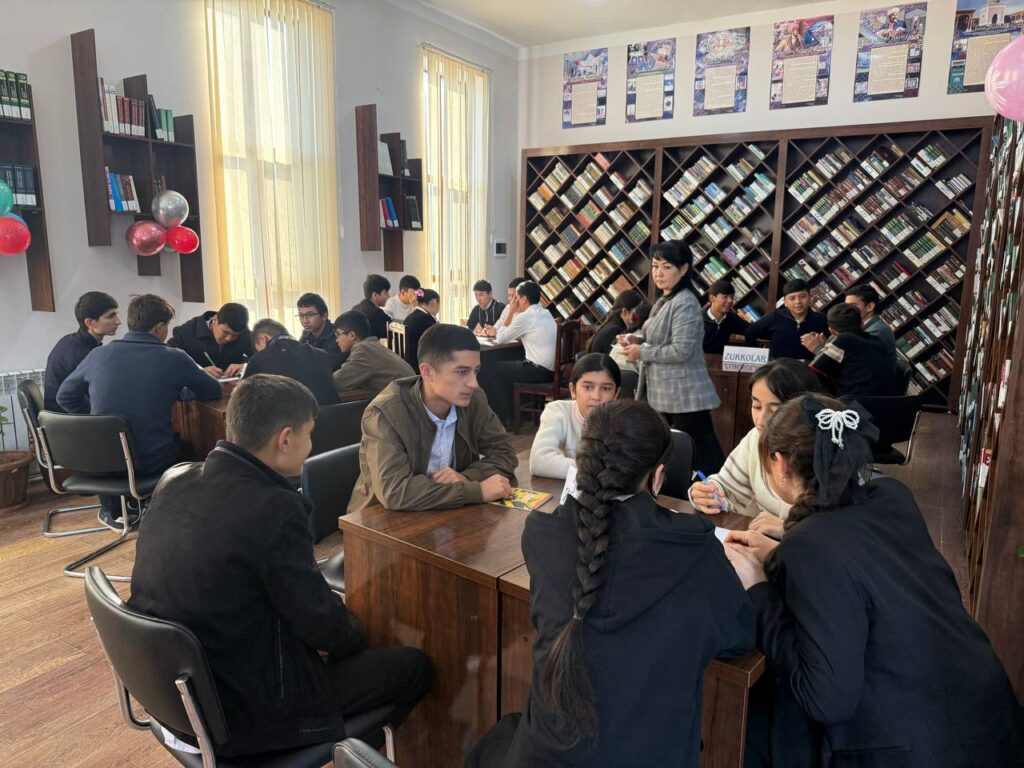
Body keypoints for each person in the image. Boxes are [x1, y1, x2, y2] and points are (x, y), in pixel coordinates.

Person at [128, 374, 432, 758]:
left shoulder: (175, 478)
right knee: (413, 667)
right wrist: (361, 636)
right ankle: (351, 758)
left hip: (171, 692)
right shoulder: (274, 507)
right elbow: (321, 625)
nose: (311, 445)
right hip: (239, 713)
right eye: (309, 434)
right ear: (285, 439)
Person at [724, 395, 1024, 768]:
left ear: (781, 463)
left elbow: (825, 700)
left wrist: (757, 587)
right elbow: (861, 559)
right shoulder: (891, 495)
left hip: (913, 749)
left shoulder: (811, 544)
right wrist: (786, 546)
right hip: (985, 718)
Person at [466, 400, 754, 768]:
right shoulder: (692, 546)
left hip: (547, 755)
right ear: (658, 476)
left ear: (582, 463)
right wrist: (751, 580)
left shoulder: (542, 533)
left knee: (504, 734)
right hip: (652, 757)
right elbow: (737, 640)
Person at [56, 294, 223, 527]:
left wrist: (96, 423)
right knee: (186, 446)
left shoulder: (98, 354)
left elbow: (64, 396)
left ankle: (118, 510)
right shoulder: (173, 357)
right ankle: (165, 510)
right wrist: (180, 390)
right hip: (148, 463)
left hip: (99, 461)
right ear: (160, 327)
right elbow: (213, 391)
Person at [348, 324, 517, 512]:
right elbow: (395, 492)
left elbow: (504, 453)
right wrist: (475, 491)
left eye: (475, 371)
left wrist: (467, 477)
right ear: (427, 372)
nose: (473, 383)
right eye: (462, 372)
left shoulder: (473, 399)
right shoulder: (385, 413)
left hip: (447, 512)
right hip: (382, 519)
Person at [620, 241, 725, 475]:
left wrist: (641, 351)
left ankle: (718, 489)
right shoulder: (665, 299)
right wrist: (635, 339)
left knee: (702, 452)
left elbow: (681, 350)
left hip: (683, 394)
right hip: (666, 392)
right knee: (677, 449)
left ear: (684, 268)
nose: (658, 273)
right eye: (655, 266)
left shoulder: (685, 302)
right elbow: (656, 337)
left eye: (666, 267)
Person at [688, 359, 822, 538]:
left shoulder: (825, 451)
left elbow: (840, 531)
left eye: (775, 410)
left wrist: (790, 529)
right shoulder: (756, 438)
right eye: (756, 406)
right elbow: (728, 488)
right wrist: (706, 494)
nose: (761, 420)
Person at [529, 353, 620, 479]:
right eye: (588, 387)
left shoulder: (625, 421)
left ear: (616, 394)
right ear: (573, 390)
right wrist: (596, 470)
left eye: (605, 389)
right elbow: (539, 462)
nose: (596, 396)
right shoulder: (558, 411)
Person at [482, 280, 558, 427]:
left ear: (523, 299)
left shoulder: (526, 316)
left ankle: (506, 419)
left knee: (491, 370)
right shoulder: (545, 312)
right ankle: (517, 415)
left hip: (538, 371)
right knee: (503, 368)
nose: (513, 301)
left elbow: (501, 338)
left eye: (516, 297)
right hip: (552, 371)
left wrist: (511, 311)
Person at [44, 291, 120, 412]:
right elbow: (96, 397)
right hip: (69, 419)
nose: (118, 321)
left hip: (61, 416)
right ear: (90, 323)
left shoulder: (69, 341)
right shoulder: (81, 354)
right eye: (111, 316)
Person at [807, 304, 897, 398]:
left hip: (853, 403)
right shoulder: (877, 340)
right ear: (862, 324)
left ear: (832, 331)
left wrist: (818, 348)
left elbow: (813, 370)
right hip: (887, 402)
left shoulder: (844, 340)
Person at [244, 318, 339, 406]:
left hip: (289, 418)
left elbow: (243, 399)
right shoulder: (321, 354)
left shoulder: (258, 360)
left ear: (262, 339)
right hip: (330, 416)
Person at [331, 311, 414, 397]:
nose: (336, 340)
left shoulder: (363, 351)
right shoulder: (370, 345)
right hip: (405, 396)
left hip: (404, 401)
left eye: (338, 334)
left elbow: (337, 382)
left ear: (352, 335)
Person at [744, 279, 828, 360]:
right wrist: (755, 358)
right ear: (785, 302)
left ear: (810, 297)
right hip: (779, 366)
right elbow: (750, 332)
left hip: (808, 367)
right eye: (792, 298)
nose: (798, 302)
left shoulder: (821, 319)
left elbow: (830, 345)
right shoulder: (774, 317)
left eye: (802, 296)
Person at [168, 302, 253, 377]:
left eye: (235, 335)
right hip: (197, 387)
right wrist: (199, 371)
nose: (229, 338)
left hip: (235, 387)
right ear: (215, 320)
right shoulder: (186, 332)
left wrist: (245, 366)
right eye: (226, 332)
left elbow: (259, 356)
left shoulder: (244, 333)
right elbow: (170, 362)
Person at [844, 285, 897, 364]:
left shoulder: (875, 332)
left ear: (869, 306)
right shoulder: (866, 327)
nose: (846, 310)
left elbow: (855, 361)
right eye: (845, 306)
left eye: (852, 306)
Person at [587, 289, 643, 356]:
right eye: (638, 311)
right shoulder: (615, 330)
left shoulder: (614, 324)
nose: (640, 314)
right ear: (624, 312)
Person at [703, 279, 750, 355]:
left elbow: (751, 329)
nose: (730, 301)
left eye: (732, 297)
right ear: (712, 298)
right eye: (725, 297)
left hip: (720, 361)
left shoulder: (732, 318)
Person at [295, 292, 343, 363]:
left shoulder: (336, 335)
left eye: (310, 315)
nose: (305, 321)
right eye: (301, 315)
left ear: (324, 316)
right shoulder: (306, 333)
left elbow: (327, 364)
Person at [404, 288, 440, 371]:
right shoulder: (426, 319)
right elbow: (436, 344)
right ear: (434, 302)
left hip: (408, 362)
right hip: (418, 364)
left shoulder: (411, 316)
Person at [352, 274, 391, 339]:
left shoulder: (355, 308)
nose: (388, 296)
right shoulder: (378, 314)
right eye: (386, 293)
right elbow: (392, 334)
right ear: (374, 295)